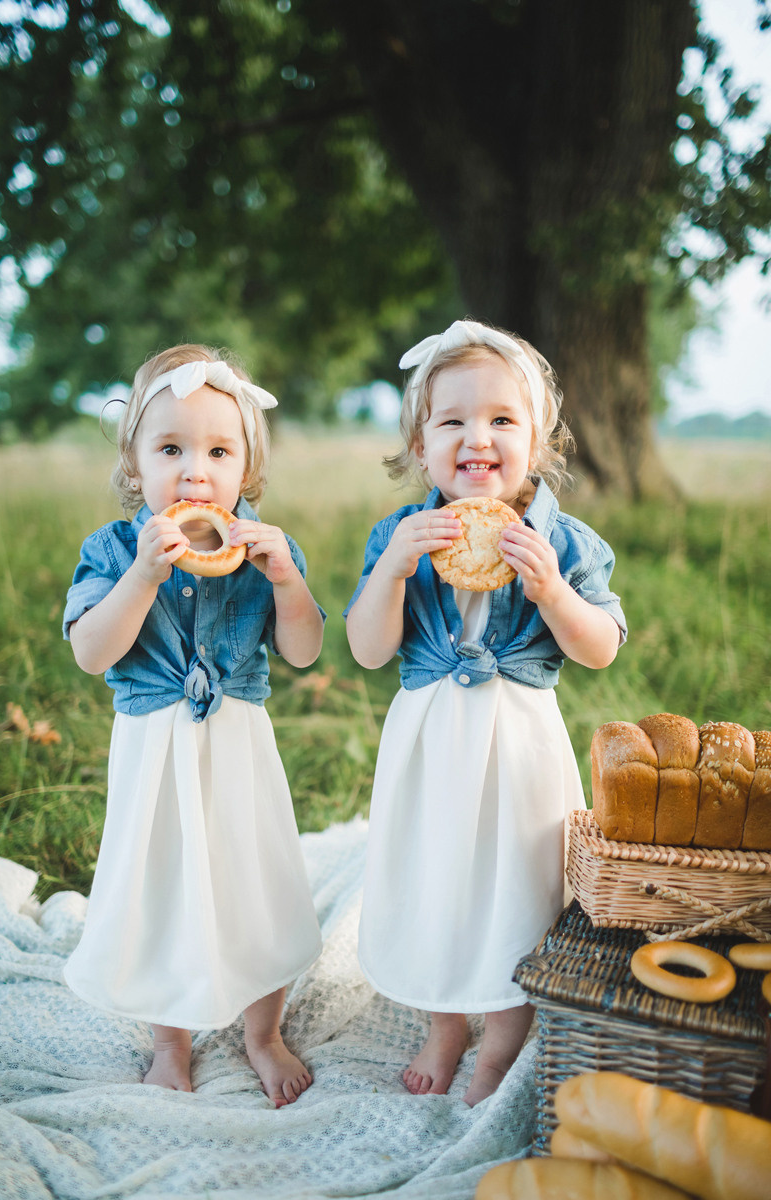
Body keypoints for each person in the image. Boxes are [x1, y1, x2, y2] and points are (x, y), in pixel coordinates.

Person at [345, 319, 626, 1107]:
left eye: (503, 419)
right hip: (432, 744)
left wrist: (553, 592)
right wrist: (395, 569)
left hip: (518, 748)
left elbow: (601, 645)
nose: (479, 437)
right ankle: (445, 1023)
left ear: (537, 441)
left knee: (515, 883)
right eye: (454, 420)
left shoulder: (565, 544)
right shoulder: (401, 536)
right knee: (437, 875)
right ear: (420, 444)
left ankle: (503, 1037)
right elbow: (369, 648)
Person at [63, 344, 324, 1105]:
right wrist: (144, 575)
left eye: (218, 450)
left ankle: (262, 1032)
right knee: (163, 886)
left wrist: (286, 580)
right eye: (170, 448)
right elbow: (90, 650)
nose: (194, 470)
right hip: (156, 753)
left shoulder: (264, 549)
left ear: (247, 469)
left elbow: (304, 650)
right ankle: (169, 1042)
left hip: (238, 751)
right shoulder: (115, 551)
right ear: (134, 465)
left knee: (257, 881)